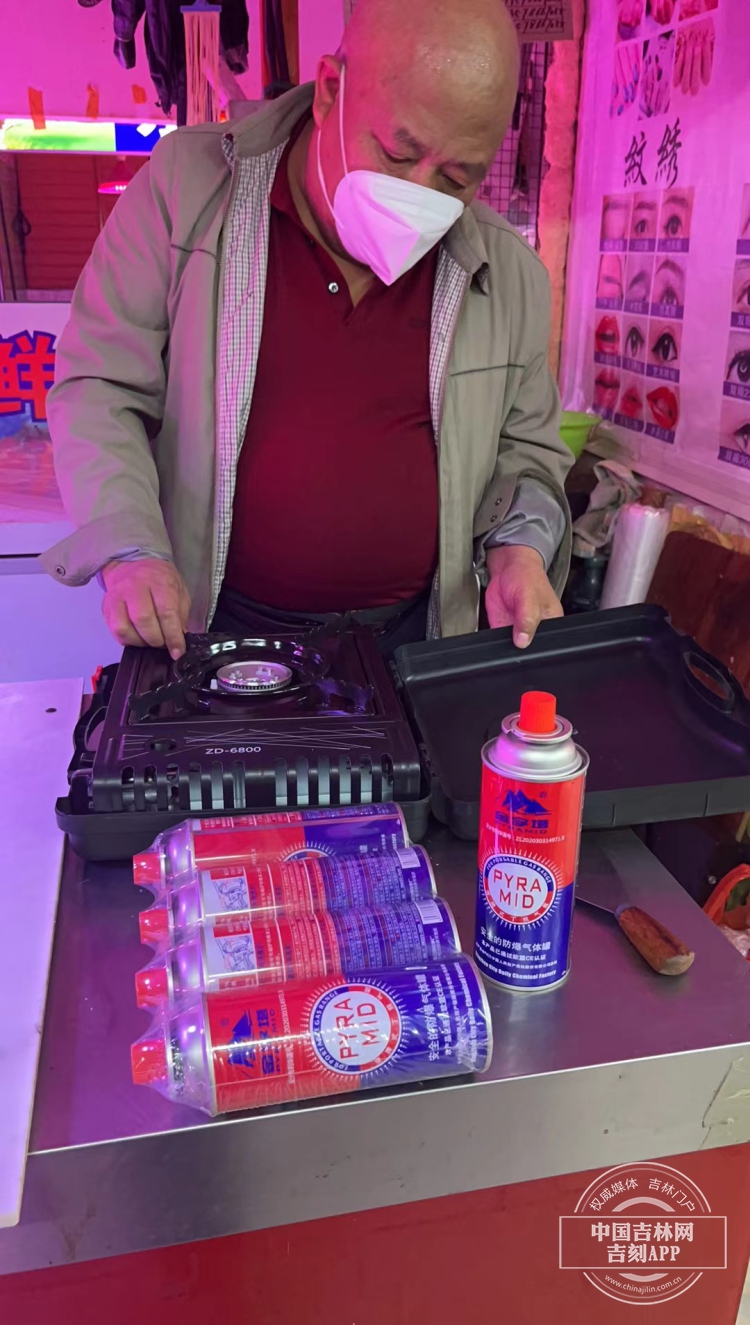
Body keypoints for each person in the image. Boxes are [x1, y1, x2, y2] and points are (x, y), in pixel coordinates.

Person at [42, 0, 573, 660]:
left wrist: (520, 548)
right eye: (398, 153)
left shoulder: (508, 273)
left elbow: (528, 450)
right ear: (329, 90)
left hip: (417, 644)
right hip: (212, 627)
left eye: (457, 178)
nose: (421, 194)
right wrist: (130, 549)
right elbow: (100, 387)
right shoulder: (186, 192)